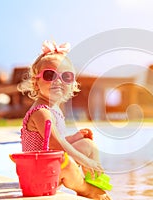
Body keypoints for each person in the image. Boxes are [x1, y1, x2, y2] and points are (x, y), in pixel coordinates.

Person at [17, 40, 112, 200]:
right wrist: (85, 161)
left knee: (88, 146)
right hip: (37, 175)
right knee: (67, 163)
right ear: (36, 81)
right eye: (49, 75)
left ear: (72, 82)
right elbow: (55, 144)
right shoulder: (41, 112)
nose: (58, 80)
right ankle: (85, 189)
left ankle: (97, 184)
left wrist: (75, 138)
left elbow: (52, 141)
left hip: (49, 168)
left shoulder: (54, 109)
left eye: (66, 76)